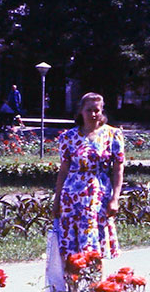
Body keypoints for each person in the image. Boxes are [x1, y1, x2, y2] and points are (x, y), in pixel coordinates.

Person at [53, 92, 125, 269]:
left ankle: (95, 290)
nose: (93, 114)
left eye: (97, 110)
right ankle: (73, 291)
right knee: (70, 245)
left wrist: (115, 198)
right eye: (89, 110)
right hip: (70, 197)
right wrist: (57, 199)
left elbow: (118, 169)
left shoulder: (112, 134)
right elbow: (63, 170)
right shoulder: (68, 137)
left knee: (93, 246)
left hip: (97, 195)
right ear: (81, 111)